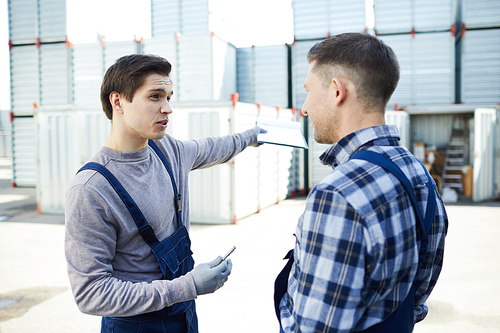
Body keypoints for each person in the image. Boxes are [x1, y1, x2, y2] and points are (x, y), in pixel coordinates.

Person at [64, 54, 261, 333]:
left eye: (169, 97)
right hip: (134, 324)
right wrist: (189, 285)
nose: (167, 108)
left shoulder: (168, 150)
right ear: (117, 101)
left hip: (183, 311)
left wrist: (255, 135)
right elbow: (91, 294)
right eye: (155, 96)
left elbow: (216, 147)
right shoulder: (91, 189)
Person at [274, 33, 448, 332]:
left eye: (308, 91)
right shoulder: (418, 174)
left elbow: (311, 329)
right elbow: (417, 298)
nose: (304, 108)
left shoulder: (338, 194)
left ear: (336, 91)